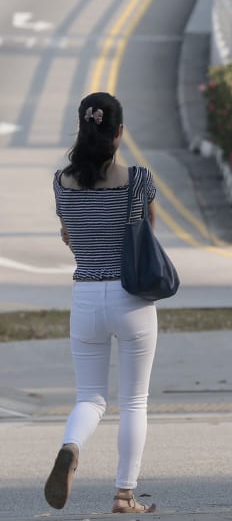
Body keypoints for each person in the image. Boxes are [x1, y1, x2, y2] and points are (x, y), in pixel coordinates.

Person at [45, 92, 158, 513]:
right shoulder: (139, 179)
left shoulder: (61, 183)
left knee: (90, 398)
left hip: (86, 298)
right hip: (132, 298)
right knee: (134, 401)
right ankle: (124, 495)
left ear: (82, 128)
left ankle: (71, 446)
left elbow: (70, 237)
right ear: (119, 132)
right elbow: (148, 234)